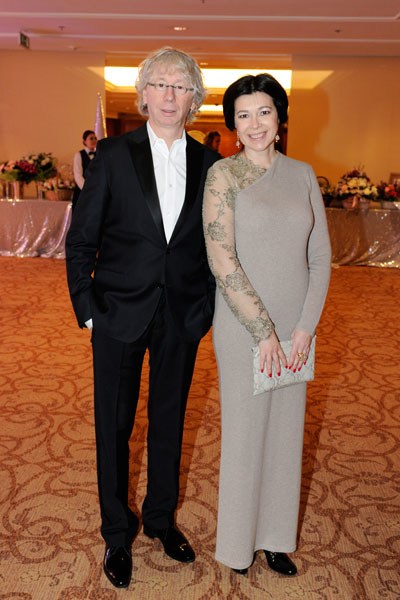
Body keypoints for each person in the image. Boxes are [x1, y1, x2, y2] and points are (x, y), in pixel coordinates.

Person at [65, 47, 220, 589]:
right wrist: (88, 311)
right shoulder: (111, 155)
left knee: (170, 421)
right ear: (144, 94)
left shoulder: (211, 164)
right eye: (160, 84)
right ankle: (115, 531)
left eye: (181, 85)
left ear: (193, 97)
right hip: (116, 312)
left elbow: (215, 245)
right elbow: (80, 240)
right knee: (114, 425)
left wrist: (205, 308)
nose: (170, 95)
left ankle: (159, 519)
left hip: (181, 313)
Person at [203, 74, 331, 577]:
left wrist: (304, 328)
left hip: (296, 329)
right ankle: (237, 545)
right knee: (245, 432)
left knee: (286, 432)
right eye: (243, 115)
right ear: (233, 125)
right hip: (243, 328)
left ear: (280, 118)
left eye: (264, 112)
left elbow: (320, 257)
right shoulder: (223, 175)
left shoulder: (302, 174)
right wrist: (264, 332)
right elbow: (222, 261)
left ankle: (276, 538)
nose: (254, 124)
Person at [72, 129, 97, 210]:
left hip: (96, 191)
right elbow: (78, 175)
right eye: (91, 138)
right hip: (82, 191)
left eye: (95, 138)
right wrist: (87, 189)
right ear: (84, 141)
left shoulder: (99, 155)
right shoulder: (79, 155)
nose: (94, 140)